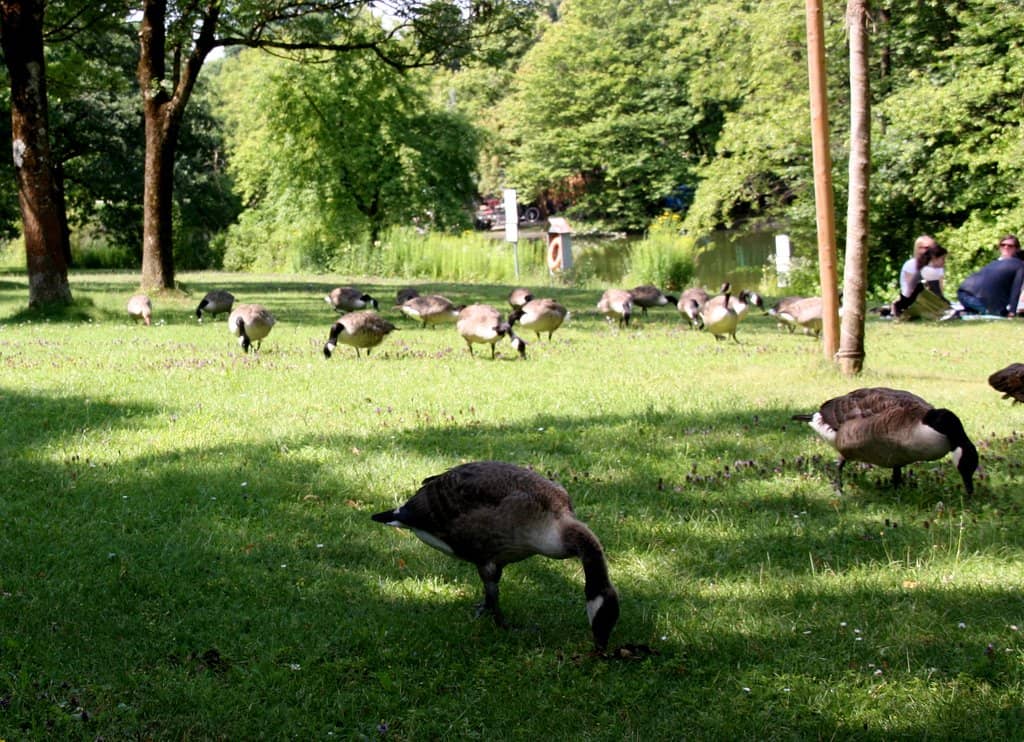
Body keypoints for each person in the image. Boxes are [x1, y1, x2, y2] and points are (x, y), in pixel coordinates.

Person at [955, 235, 1024, 317]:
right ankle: (966, 313)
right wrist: (1012, 312)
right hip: (975, 298)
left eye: (1010, 246)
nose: (1006, 247)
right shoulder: (1020, 266)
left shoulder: (995, 263)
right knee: (996, 313)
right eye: (1003, 245)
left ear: (1017, 249)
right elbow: (1015, 290)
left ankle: (969, 311)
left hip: (963, 294)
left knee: (999, 311)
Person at [891, 235, 939, 316]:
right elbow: (910, 290)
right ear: (918, 249)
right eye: (926, 248)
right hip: (911, 300)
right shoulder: (911, 265)